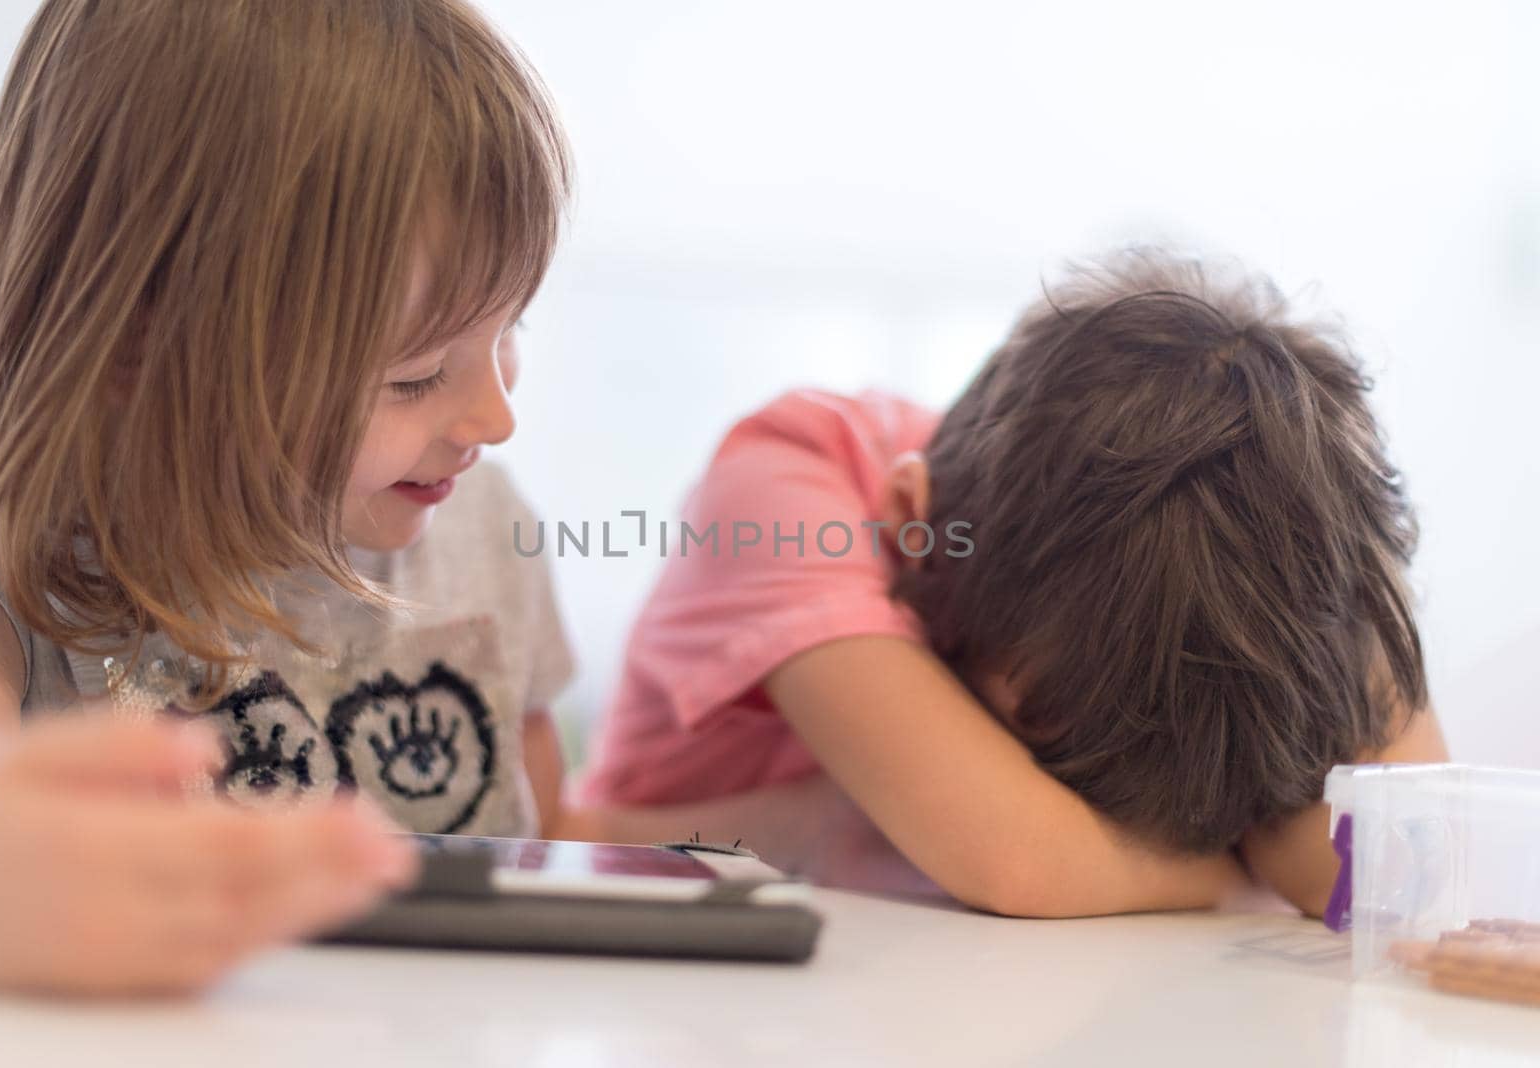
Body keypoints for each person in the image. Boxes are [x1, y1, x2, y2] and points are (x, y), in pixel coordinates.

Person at [0, 0, 573, 994]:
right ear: (140, 346)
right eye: (414, 376)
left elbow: (546, 832)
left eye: (509, 333)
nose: (493, 417)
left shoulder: (487, 521)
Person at [575, 250, 1448, 918]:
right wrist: (1227, 862)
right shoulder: (788, 487)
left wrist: (1335, 591)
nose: (1113, 784)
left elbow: (1373, 877)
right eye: (1050, 731)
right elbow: (1024, 861)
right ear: (910, 523)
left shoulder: (1204, 591)